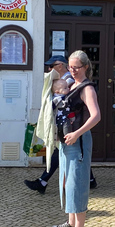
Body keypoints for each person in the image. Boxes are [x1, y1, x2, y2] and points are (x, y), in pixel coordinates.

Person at [24, 55, 97, 194]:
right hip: (69, 127)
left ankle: (45, 182)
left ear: (59, 66)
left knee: (67, 155)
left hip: (70, 127)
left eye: (51, 66)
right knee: (69, 154)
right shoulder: (63, 81)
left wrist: (75, 131)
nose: (49, 69)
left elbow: (94, 115)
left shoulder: (70, 82)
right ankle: (89, 180)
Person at [51, 50, 101, 227]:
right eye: (70, 67)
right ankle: (71, 222)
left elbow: (96, 116)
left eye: (76, 67)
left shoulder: (87, 88)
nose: (72, 70)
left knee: (77, 183)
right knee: (66, 180)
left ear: (86, 67)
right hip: (66, 140)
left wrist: (77, 133)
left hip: (77, 140)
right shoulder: (72, 84)